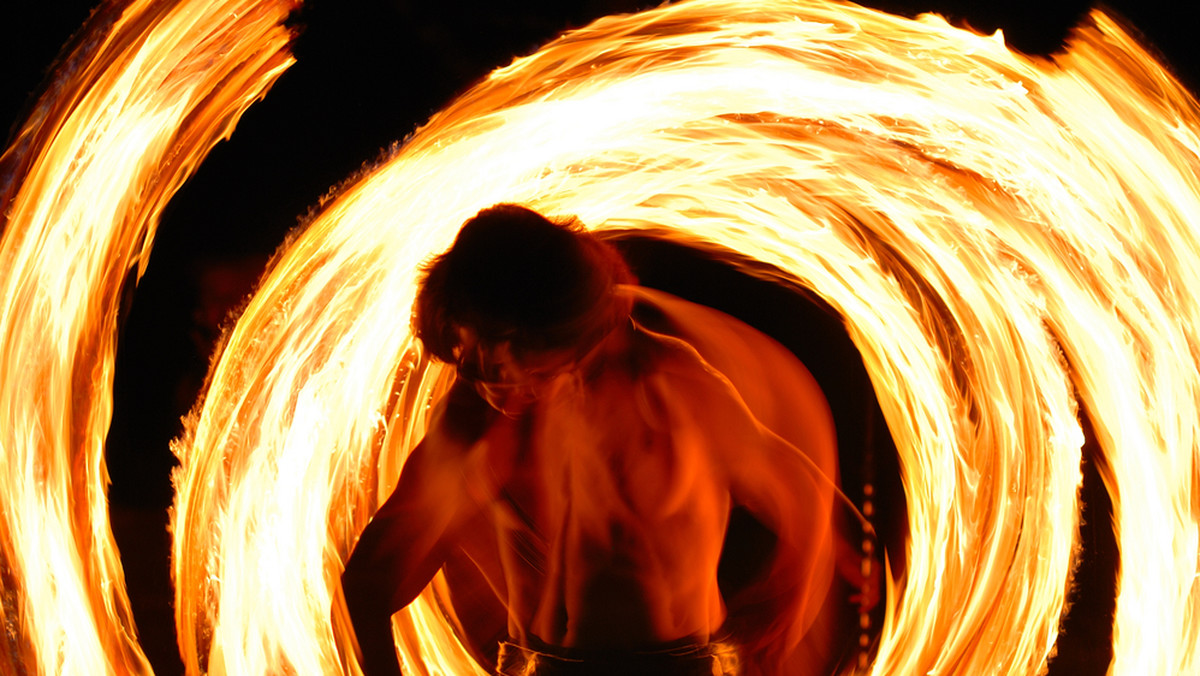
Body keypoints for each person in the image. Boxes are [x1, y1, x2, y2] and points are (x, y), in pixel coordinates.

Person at [341, 204, 840, 676]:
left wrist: (787, 615)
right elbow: (371, 581)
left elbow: (801, 496)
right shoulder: (476, 416)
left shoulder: (668, 386)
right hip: (531, 663)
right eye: (461, 342)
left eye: (488, 345)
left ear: (540, 323)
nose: (469, 365)